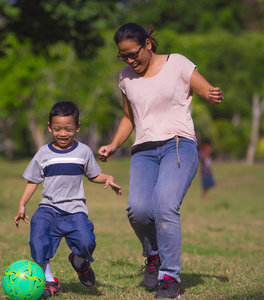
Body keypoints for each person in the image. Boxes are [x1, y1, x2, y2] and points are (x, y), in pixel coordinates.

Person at [98, 22, 223, 299]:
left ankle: (170, 278)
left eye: (133, 54)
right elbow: (129, 117)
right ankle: (153, 254)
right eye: (123, 56)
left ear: (148, 45)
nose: (130, 60)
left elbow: (202, 87)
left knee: (165, 206)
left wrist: (211, 93)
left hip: (178, 145)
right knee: (138, 210)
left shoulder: (176, 63)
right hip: (143, 150)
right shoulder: (125, 77)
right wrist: (113, 145)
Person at [14, 101, 122, 298]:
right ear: (49, 127)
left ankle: (79, 262)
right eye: (57, 129)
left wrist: (108, 178)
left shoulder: (84, 152)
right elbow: (33, 180)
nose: (62, 133)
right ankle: (48, 281)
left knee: (87, 242)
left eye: (68, 129)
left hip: (75, 210)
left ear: (77, 127)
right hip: (49, 209)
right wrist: (22, 204)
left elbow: (92, 175)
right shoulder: (43, 153)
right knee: (38, 236)